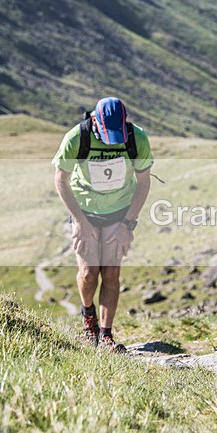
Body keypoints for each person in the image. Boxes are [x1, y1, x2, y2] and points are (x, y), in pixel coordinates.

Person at [53, 97, 154, 352]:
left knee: (111, 273)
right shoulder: (78, 137)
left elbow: (143, 183)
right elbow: (61, 180)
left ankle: (106, 336)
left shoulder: (136, 138)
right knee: (89, 273)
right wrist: (79, 221)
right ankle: (89, 322)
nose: (113, 140)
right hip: (84, 211)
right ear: (95, 121)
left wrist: (127, 225)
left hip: (118, 212)